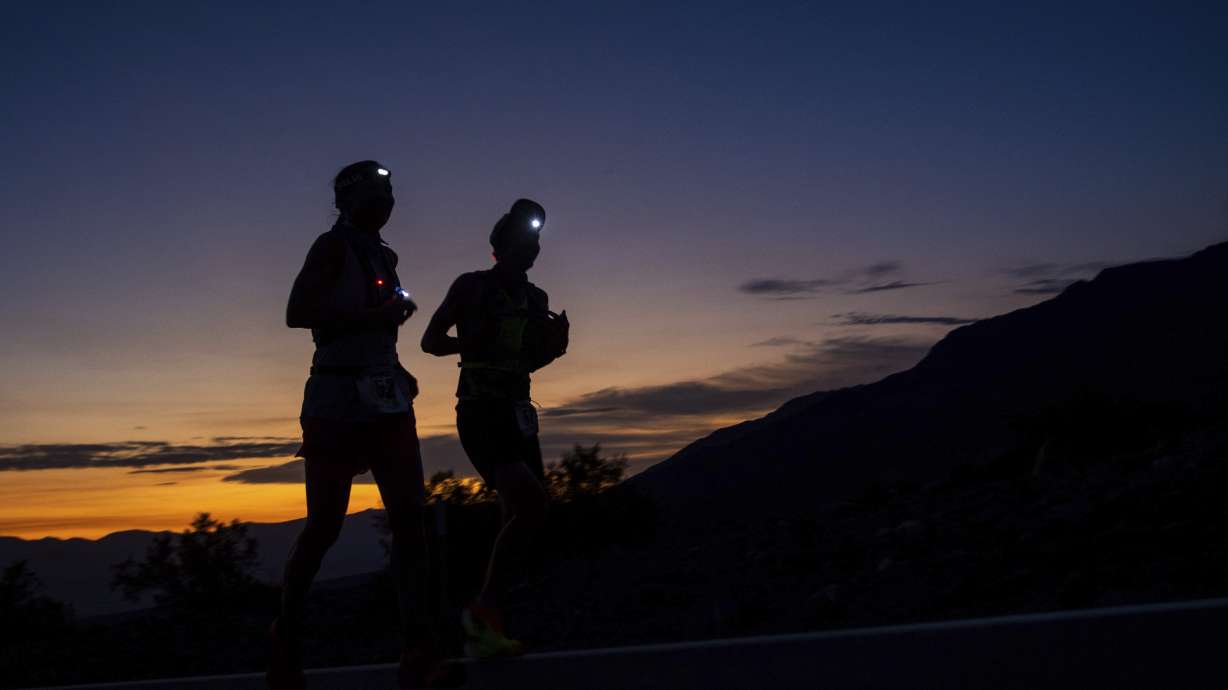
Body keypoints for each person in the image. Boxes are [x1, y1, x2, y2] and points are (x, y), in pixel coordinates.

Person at [268, 160, 459, 689]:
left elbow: (374, 328)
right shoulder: (330, 247)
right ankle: (285, 636)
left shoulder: (384, 256)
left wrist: (395, 363)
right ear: (351, 201)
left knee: (410, 522)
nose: (390, 199)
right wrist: (373, 320)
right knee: (326, 525)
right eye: (379, 191)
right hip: (334, 399)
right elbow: (297, 310)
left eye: (392, 190)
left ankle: (418, 651)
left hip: (385, 399)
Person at [421, 198, 569, 658]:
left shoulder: (537, 299)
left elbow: (527, 361)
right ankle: (481, 609)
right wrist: (471, 341)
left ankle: (486, 629)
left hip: (519, 412)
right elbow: (430, 341)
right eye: (526, 239)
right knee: (531, 506)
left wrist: (554, 350)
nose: (534, 247)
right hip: (481, 410)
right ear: (500, 245)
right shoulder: (469, 287)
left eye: (537, 240)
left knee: (518, 514)